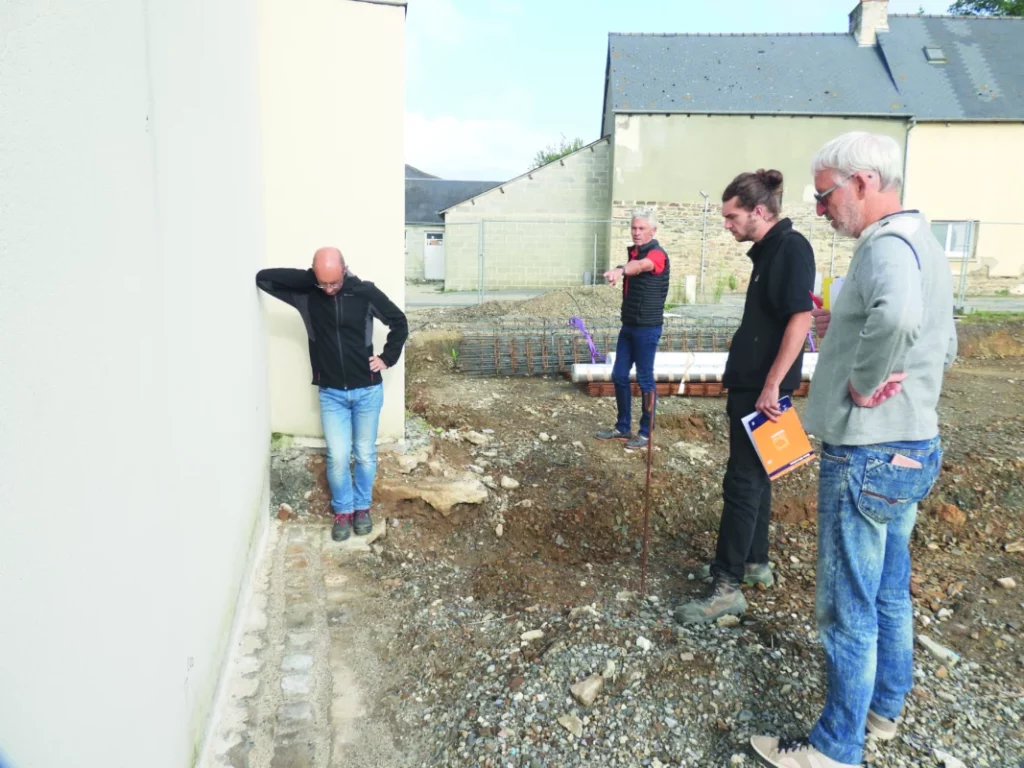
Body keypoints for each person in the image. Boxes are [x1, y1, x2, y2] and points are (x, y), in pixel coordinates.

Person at [751, 133, 957, 768]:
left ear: (863, 183)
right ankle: (884, 710)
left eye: (823, 195)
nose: (818, 209)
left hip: (867, 451)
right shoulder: (924, 241)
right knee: (891, 588)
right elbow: (938, 337)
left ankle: (835, 749)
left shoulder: (884, 247)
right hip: (913, 441)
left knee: (848, 606)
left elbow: (895, 319)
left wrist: (865, 382)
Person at [675, 170, 815, 625]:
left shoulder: (791, 249)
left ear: (759, 211)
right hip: (753, 387)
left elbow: (800, 319)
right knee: (757, 477)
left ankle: (727, 586)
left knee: (741, 484)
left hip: (762, 392)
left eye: (732, 216)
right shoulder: (769, 253)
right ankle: (754, 564)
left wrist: (773, 385)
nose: (726, 224)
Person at [256, 247, 408, 542]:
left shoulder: (364, 293)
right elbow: (265, 279)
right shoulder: (307, 296)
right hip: (332, 395)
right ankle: (343, 511)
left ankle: (362, 508)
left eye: (334, 283)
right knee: (338, 456)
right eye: (322, 283)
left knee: (364, 454)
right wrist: (311, 278)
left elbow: (399, 322)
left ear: (345, 270)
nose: (328, 289)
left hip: (367, 391)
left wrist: (386, 358)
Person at [594, 208, 670, 450]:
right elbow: (634, 264)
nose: (636, 233)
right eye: (634, 228)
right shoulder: (634, 253)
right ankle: (622, 426)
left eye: (641, 229)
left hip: (647, 329)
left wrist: (621, 270)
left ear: (653, 231)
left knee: (645, 379)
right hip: (628, 326)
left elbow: (642, 266)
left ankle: (646, 432)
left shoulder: (657, 255)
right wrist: (621, 268)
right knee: (619, 375)